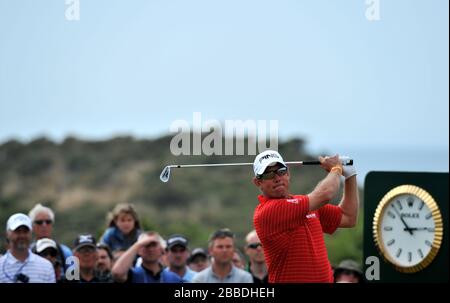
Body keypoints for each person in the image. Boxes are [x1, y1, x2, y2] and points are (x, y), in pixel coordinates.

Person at [252, 150, 359, 283]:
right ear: (258, 182)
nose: (277, 178)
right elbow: (326, 193)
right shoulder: (267, 211)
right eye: (268, 174)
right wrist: (336, 169)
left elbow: (349, 217)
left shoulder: (306, 204)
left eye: (281, 171)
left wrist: (350, 176)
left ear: (288, 173)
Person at [0, 213, 55, 283]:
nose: (22, 235)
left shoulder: (46, 266)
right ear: (7, 234)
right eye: (17, 231)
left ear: (31, 233)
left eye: (25, 231)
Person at [111, 231, 182, 283]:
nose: (150, 249)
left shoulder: (174, 279)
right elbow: (117, 273)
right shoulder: (133, 275)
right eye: (146, 245)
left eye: (154, 245)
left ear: (161, 249)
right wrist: (138, 244)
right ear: (138, 250)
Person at [28, 204, 73, 274]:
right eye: (39, 222)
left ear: (52, 225)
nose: (44, 225)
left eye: (48, 222)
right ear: (32, 226)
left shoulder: (66, 252)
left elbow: (75, 278)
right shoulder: (28, 252)